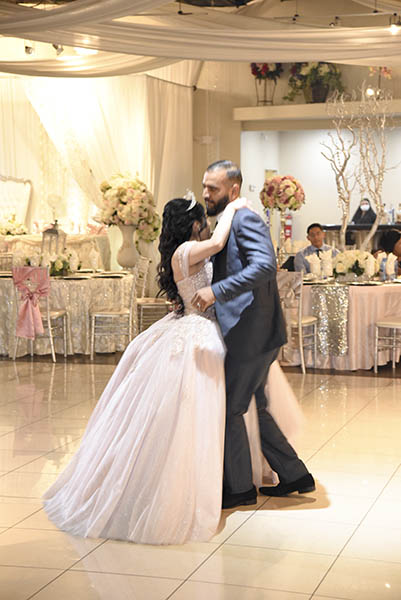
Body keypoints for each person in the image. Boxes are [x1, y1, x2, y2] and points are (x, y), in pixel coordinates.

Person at [43, 196, 248, 545]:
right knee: (187, 411)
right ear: (191, 224)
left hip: (192, 323)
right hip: (196, 330)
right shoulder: (186, 250)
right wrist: (233, 208)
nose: (205, 225)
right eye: (201, 219)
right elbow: (217, 243)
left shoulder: (187, 249)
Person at [192, 160, 314, 509]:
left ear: (232, 190)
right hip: (252, 329)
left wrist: (217, 292)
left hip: (252, 329)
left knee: (232, 406)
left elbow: (264, 267)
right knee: (255, 406)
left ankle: (241, 488)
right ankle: (294, 475)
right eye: (204, 186)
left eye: (212, 188)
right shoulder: (231, 217)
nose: (205, 194)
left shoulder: (244, 218)